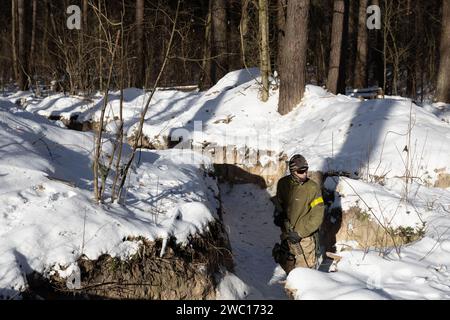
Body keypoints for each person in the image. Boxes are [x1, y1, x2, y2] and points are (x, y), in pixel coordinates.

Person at [272, 154, 324, 273]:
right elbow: (279, 204)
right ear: (292, 171)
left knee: (305, 276)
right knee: (289, 269)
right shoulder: (283, 184)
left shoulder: (312, 188)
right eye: (301, 171)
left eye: (306, 170)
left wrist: (300, 233)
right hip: (287, 235)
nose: (305, 174)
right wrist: (278, 216)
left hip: (304, 240)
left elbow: (318, 215)